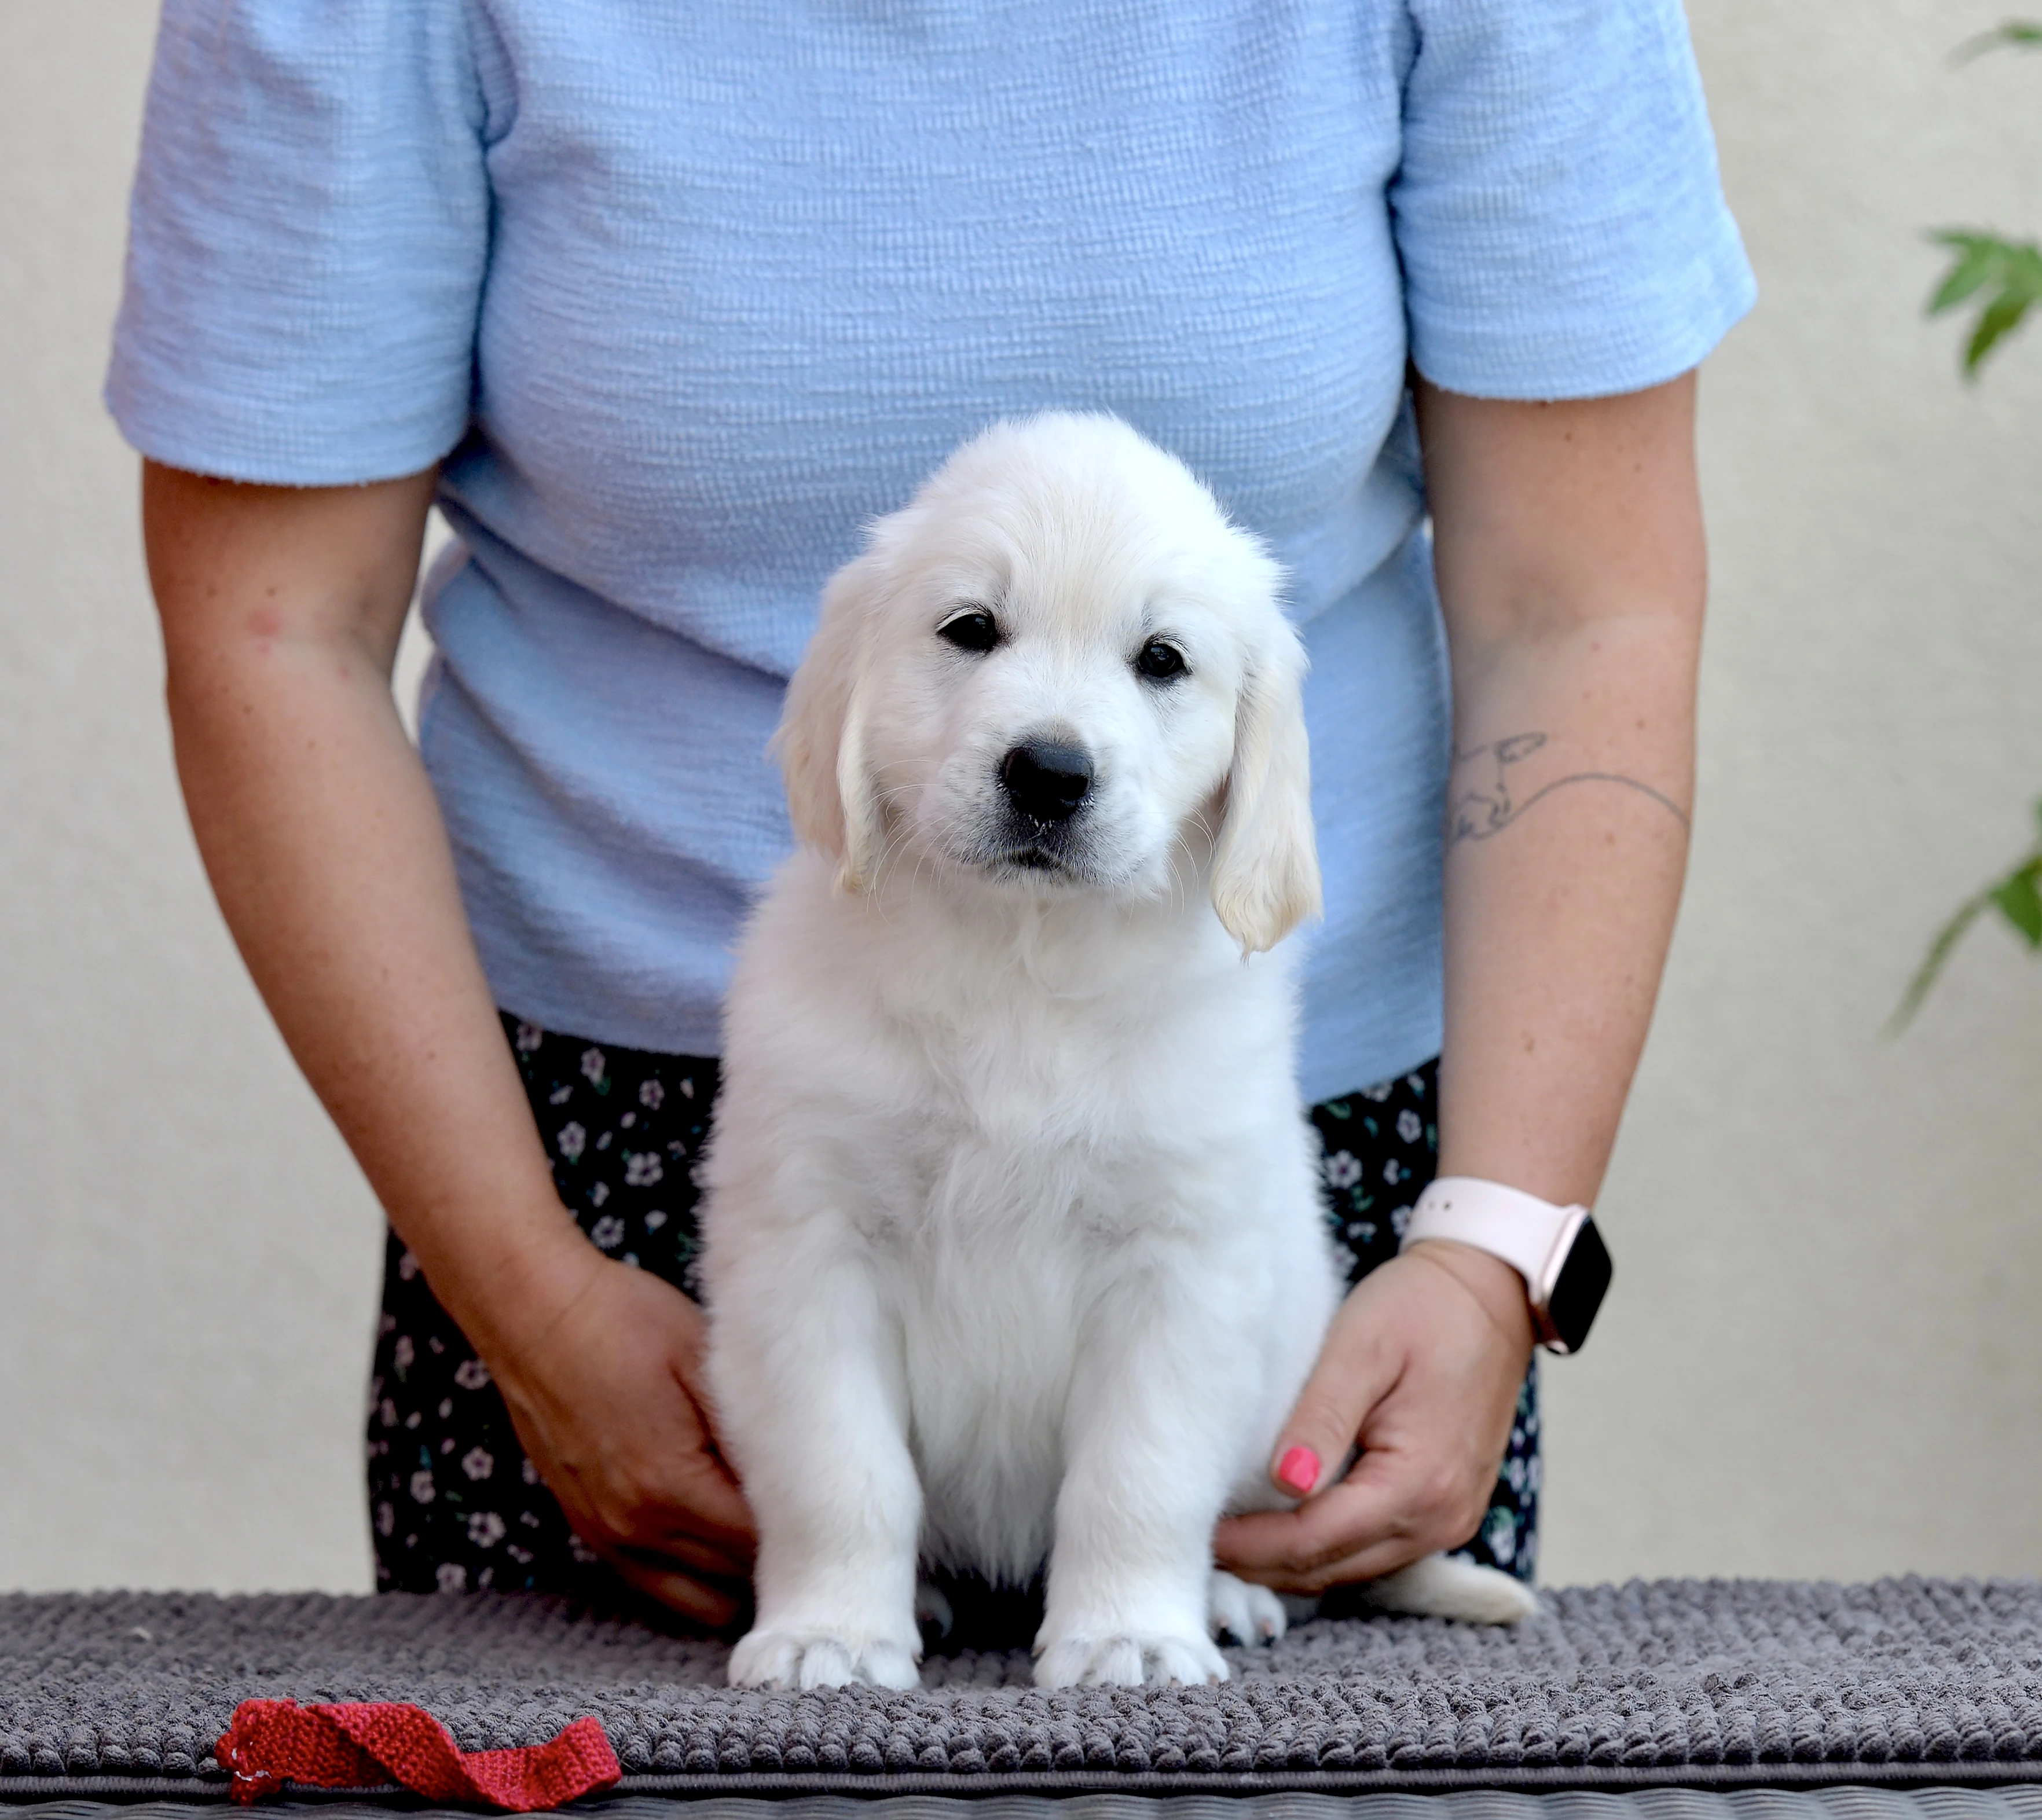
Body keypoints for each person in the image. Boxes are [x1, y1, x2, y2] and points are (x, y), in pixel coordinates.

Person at [112, 0, 1752, 1630]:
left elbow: (1580, 608)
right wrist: (527, 1299)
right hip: (574, 1196)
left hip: (1307, 1171)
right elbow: (275, 631)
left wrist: (1494, 1253)